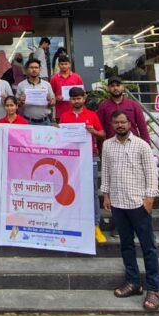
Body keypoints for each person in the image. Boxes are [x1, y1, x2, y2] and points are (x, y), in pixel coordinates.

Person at [101, 110, 159, 311]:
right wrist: (106, 194)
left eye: (123, 122)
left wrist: (149, 198)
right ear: (112, 124)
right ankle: (133, 282)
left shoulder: (142, 145)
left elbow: (151, 173)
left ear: (129, 124)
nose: (120, 125)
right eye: (116, 122)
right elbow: (106, 171)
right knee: (126, 245)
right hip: (118, 203)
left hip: (138, 203)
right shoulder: (107, 145)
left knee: (148, 247)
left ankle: (154, 289)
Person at [59, 87, 107, 244]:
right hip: (70, 158)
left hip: (89, 157)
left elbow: (102, 134)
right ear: (70, 100)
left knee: (92, 192)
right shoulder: (64, 116)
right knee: (70, 190)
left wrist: (93, 131)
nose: (76, 101)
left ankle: (95, 226)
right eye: (73, 98)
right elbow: (61, 137)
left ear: (84, 98)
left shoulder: (92, 115)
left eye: (79, 98)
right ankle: (72, 222)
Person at [97, 77, 150, 143]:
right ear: (108, 88)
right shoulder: (103, 107)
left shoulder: (133, 105)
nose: (115, 88)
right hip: (112, 145)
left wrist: (147, 144)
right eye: (112, 86)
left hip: (132, 144)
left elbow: (142, 126)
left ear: (123, 87)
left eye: (118, 85)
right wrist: (101, 147)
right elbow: (99, 129)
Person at [17, 59, 56, 125]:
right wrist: (20, 101)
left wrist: (50, 102)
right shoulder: (21, 85)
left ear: (40, 69)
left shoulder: (47, 84)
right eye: (31, 67)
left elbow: (53, 102)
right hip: (28, 121)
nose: (34, 70)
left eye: (36, 67)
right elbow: (17, 104)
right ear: (27, 69)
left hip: (45, 122)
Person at [50, 54, 84, 121]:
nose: (64, 66)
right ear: (58, 65)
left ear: (69, 64)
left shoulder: (77, 77)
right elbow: (51, 95)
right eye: (62, 64)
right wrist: (56, 98)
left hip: (76, 111)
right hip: (60, 112)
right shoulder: (54, 78)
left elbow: (83, 94)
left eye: (66, 64)